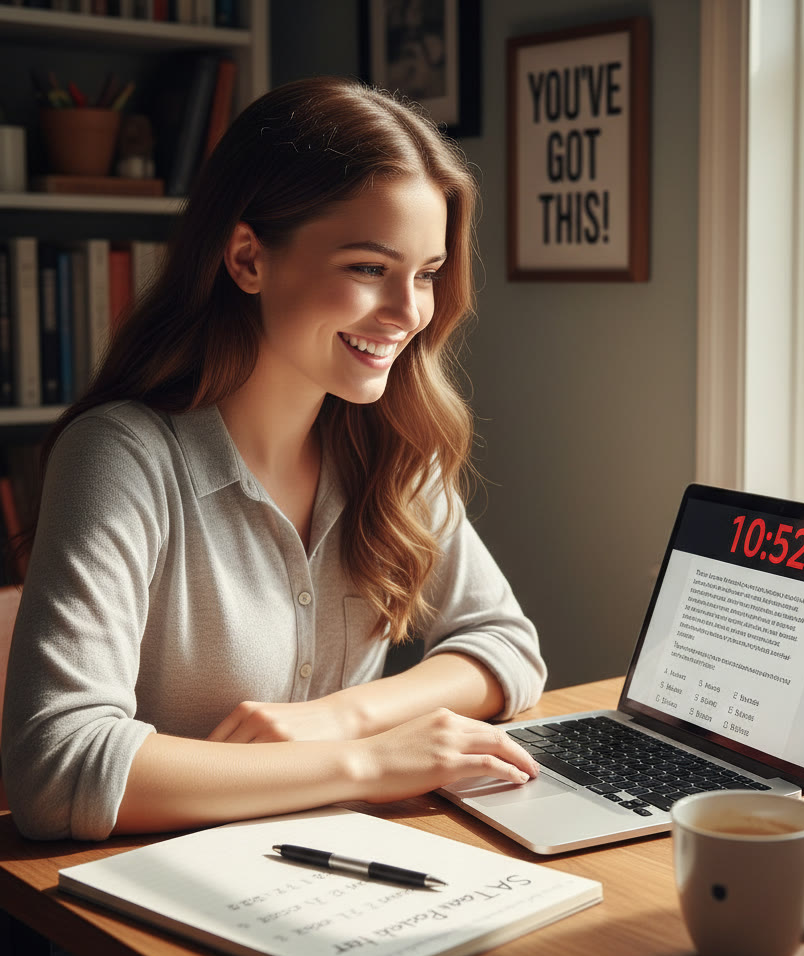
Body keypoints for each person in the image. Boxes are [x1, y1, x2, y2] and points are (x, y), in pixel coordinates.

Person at [1, 77, 545, 841]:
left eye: (426, 273)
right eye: (368, 268)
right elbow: (54, 768)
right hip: (159, 886)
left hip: (345, 862)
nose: (408, 313)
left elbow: (506, 646)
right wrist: (367, 762)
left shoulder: (388, 445)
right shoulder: (122, 457)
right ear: (248, 258)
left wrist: (342, 717)